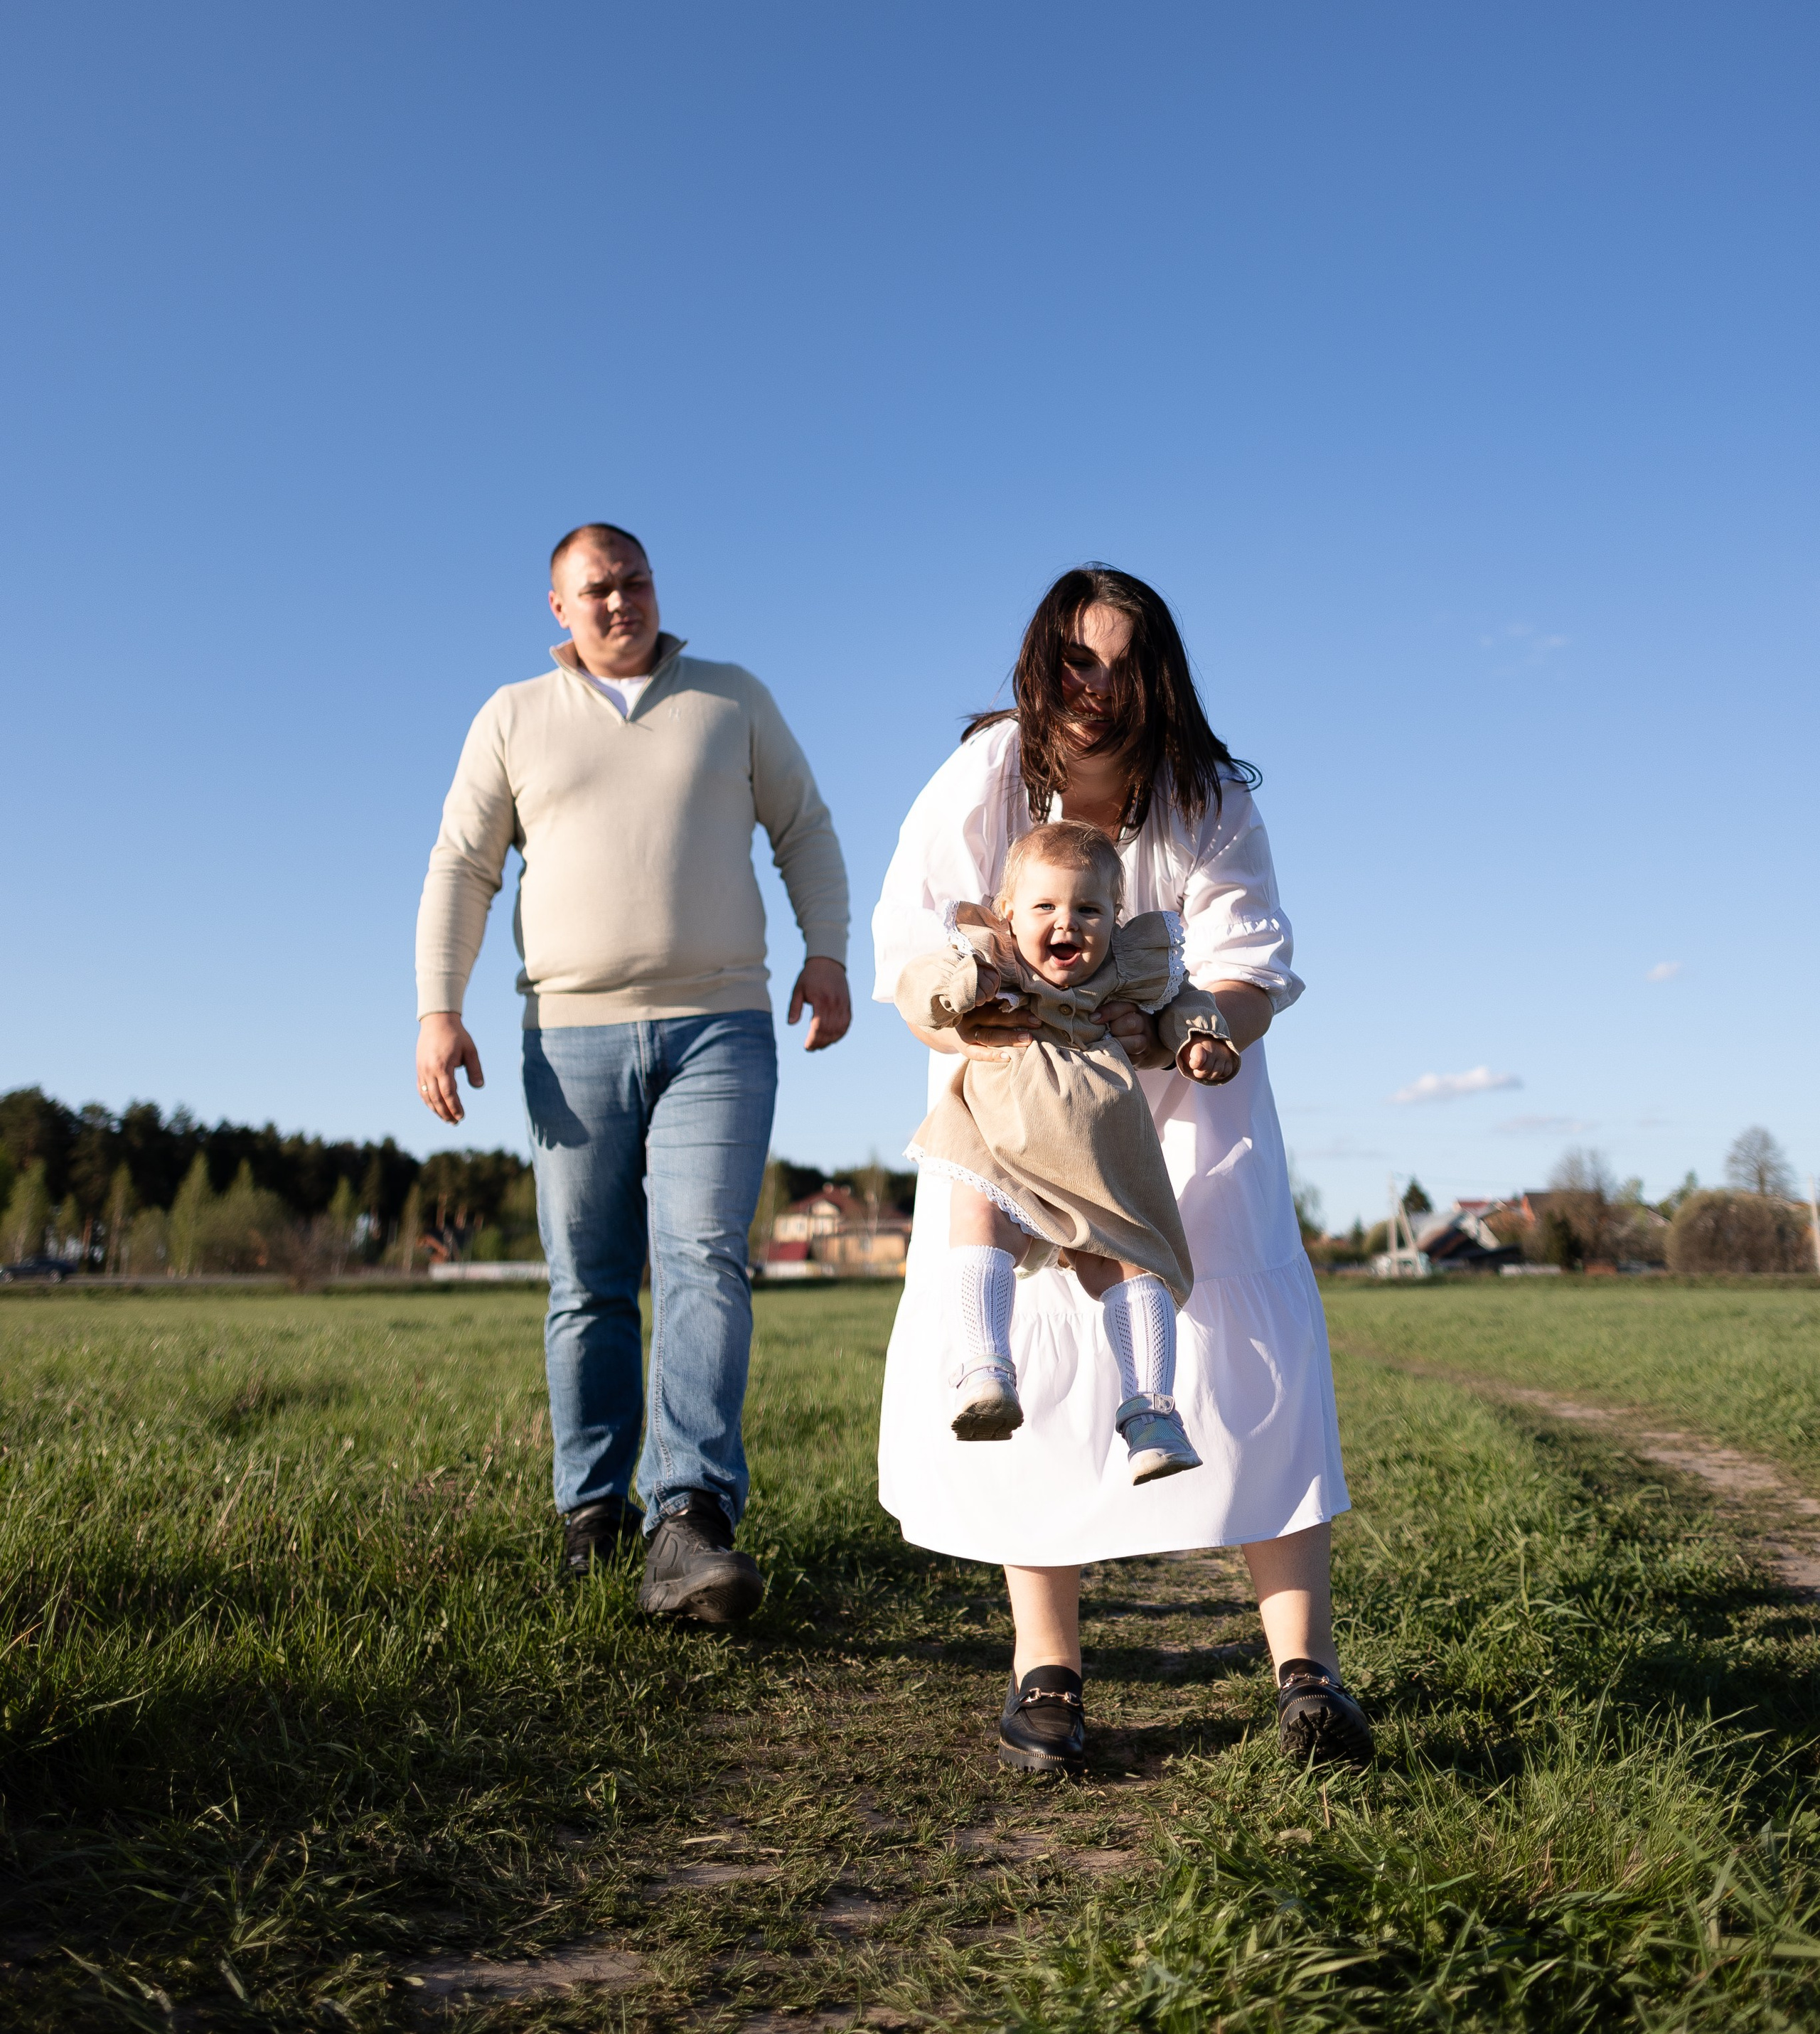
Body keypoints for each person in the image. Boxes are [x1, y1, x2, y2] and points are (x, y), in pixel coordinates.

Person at [872, 566, 1371, 1777]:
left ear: (1158, 677)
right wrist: (991, 1022)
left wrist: (1201, 1035)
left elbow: (1251, 956)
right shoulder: (984, 776)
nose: (1095, 688)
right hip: (1018, 1084)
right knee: (1028, 1346)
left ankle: (1306, 1670)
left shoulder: (1207, 795)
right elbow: (911, 945)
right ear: (1041, 666)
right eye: (1074, 660)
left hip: (1181, 1085)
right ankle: (1048, 1668)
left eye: (1121, 663)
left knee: (1245, 1342)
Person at [415, 522, 851, 1624]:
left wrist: (831, 953)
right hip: (570, 1036)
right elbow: (463, 864)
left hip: (720, 1024)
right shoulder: (512, 715)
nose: (622, 603)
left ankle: (690, 1514)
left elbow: (804, 827)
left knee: (704, 1255)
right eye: (597, 591)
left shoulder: (730, 696)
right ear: (557, 609)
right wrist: (439, 1009)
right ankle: (591, 1515)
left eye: (637, 581)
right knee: (591, 1281)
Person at [895, 818, 1234, 1479]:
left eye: (1088, 909)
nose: (1067, 923)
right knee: (978, 1218)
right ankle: (983, 1369)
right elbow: (920, 994)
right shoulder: (989, 960)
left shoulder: (1128, 971)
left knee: (1131, 1265)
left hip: (1100, 1151)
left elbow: (1182, 1000)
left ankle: (1152, 1412)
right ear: (1008, 915)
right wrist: (962, 986)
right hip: (1003, 1135)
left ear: (1115, 918)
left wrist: (1198, 1037)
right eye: (1045, 907)